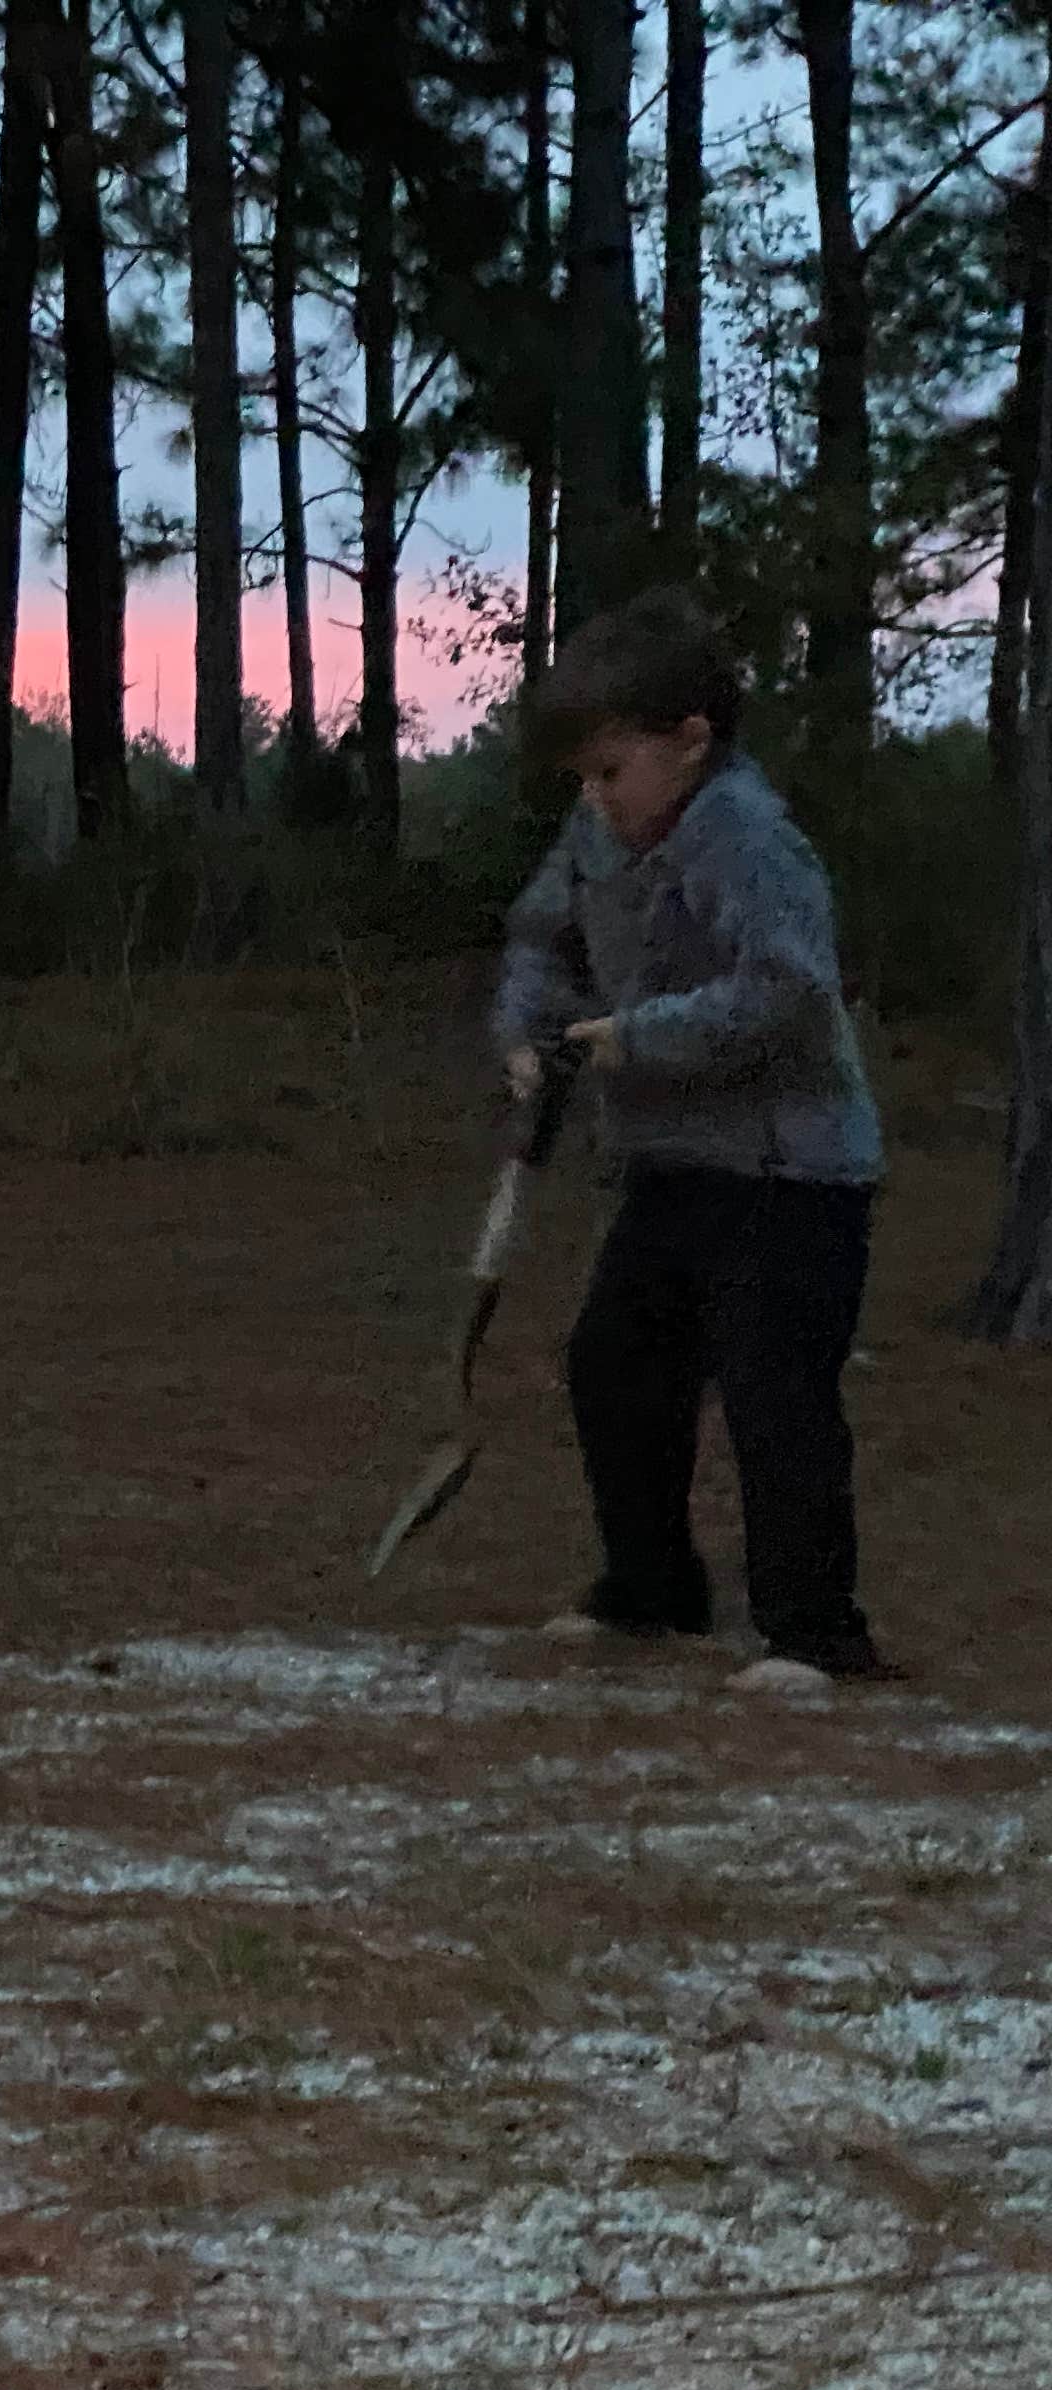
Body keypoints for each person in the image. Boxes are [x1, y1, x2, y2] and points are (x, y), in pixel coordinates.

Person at [489, 584, 895, 1696]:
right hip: (673, 1167)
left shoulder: (748, 839)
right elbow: (543, 939)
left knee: (777, 1395)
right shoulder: (594, 833)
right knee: (616, 1368)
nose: (596, 795)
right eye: (583, 774)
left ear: (689, 742)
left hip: (791, 1173)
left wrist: (634, 1037)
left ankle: (815, 1630)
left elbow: (787, 993)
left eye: (612, 770)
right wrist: (529, 1036)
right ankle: (653, 1588)